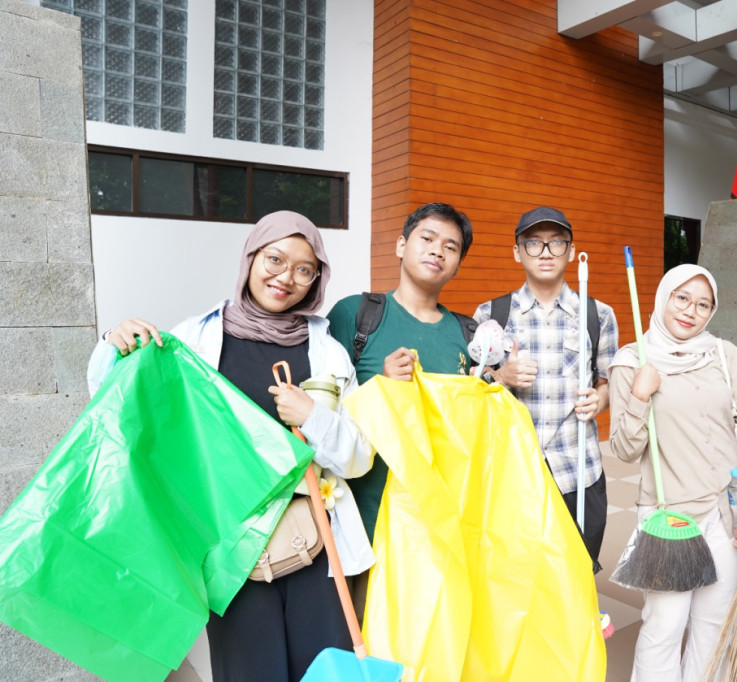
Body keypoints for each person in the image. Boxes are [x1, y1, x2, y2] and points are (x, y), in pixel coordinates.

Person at [86, 211, 374, 682]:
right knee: (248, 673)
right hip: (231, 552)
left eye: (305, 269)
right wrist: (112, 343)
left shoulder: (328, 350)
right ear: (250, 258)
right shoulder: (196, 338)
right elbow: (118, 397)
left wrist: (313, 419)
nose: (286, 278)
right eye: (275, 259)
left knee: (324, 674)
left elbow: (358, 458)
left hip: (318, 546)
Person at [607, 264, 737, 682]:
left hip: (727, 508)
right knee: (664, 626)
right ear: (663, 297)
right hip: (669, 515)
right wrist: (641, 395)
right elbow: (624, 450)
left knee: (716, 623)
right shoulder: (631, 361)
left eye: (703, 304)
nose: (691, 311)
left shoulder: (723, 354)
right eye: (682, 298)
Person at [326, 201, 473, 612]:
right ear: (401, 245)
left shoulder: (467, 334)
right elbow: (323, 410)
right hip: (363, 521)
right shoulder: (356, 315)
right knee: (362, 640)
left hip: (438, 524)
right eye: (427, 238)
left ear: (458, 264)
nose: (437, 250)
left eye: (451, 246)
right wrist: (381, 387)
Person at [474, 206, 618, 571]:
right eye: (534, 244)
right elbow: (471, 394)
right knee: (517, 579)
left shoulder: (598, 314)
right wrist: (501, 376)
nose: (546, 253)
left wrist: (598, 400)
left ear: (571, 252)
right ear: (517, 252)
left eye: (556, 244)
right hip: (512, 471)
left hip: (578, 469)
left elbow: (609, 384)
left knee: (576, 576)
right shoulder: (490, 314)